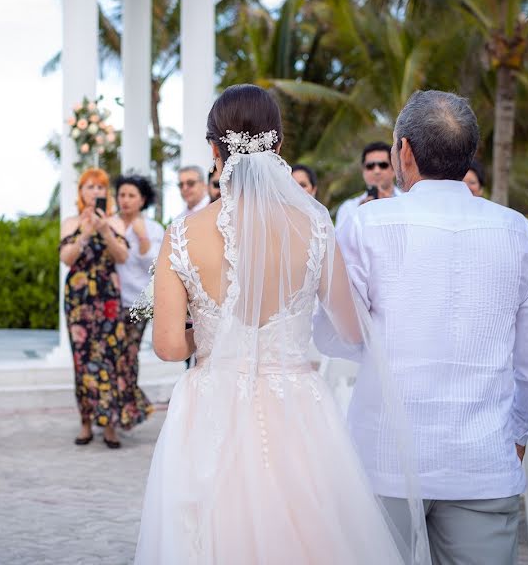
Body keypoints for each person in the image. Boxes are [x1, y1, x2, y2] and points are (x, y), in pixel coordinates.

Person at [136, 85, 424, 563]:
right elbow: (352, 331)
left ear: (214, 148)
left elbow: (167, 345)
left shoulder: (182, 234)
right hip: (298, 407)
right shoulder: (314, 224)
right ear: (279, 146)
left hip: (211, 407)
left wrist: (212, 332)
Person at [321, 90, 528, 563]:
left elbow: (338, 336)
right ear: (468, 153)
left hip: (385, 457)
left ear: (403, 151)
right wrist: (517, 435)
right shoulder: (519, 233)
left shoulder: (367, 226)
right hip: (483, 461)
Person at [59, 167, 130, 449]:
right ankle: (86, 421)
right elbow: (67, 257)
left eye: (100, 187)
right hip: (79, 299)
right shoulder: (70, 222)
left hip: (108, 296)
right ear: (81, 192)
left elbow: (122, 256)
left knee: (111, 357)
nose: (95, 192)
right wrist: (85, 233)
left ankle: (110, 423)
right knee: (82, 358)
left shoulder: (115, 222)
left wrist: (104, 231)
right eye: (89, 187)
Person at [111, 175, 159, 429]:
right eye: (122, 195)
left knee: (127, 355)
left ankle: (128, 410)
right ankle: (128, 408)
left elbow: (153, 265)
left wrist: (142, 238)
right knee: (114, 356)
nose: (125, 200)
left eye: (131, 195)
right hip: (111, 301)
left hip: (139, 303)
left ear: (142, 200)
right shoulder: (111, 224)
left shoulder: (152, 228)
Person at [334, 141, 400, 230]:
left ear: (394, 170)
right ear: (363, 171)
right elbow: (342, 241)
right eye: (370, 166)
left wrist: (392, 207)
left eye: (383, 165)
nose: (376, 171)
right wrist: (360, 214)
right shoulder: (348, 208)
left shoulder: (406, 201)